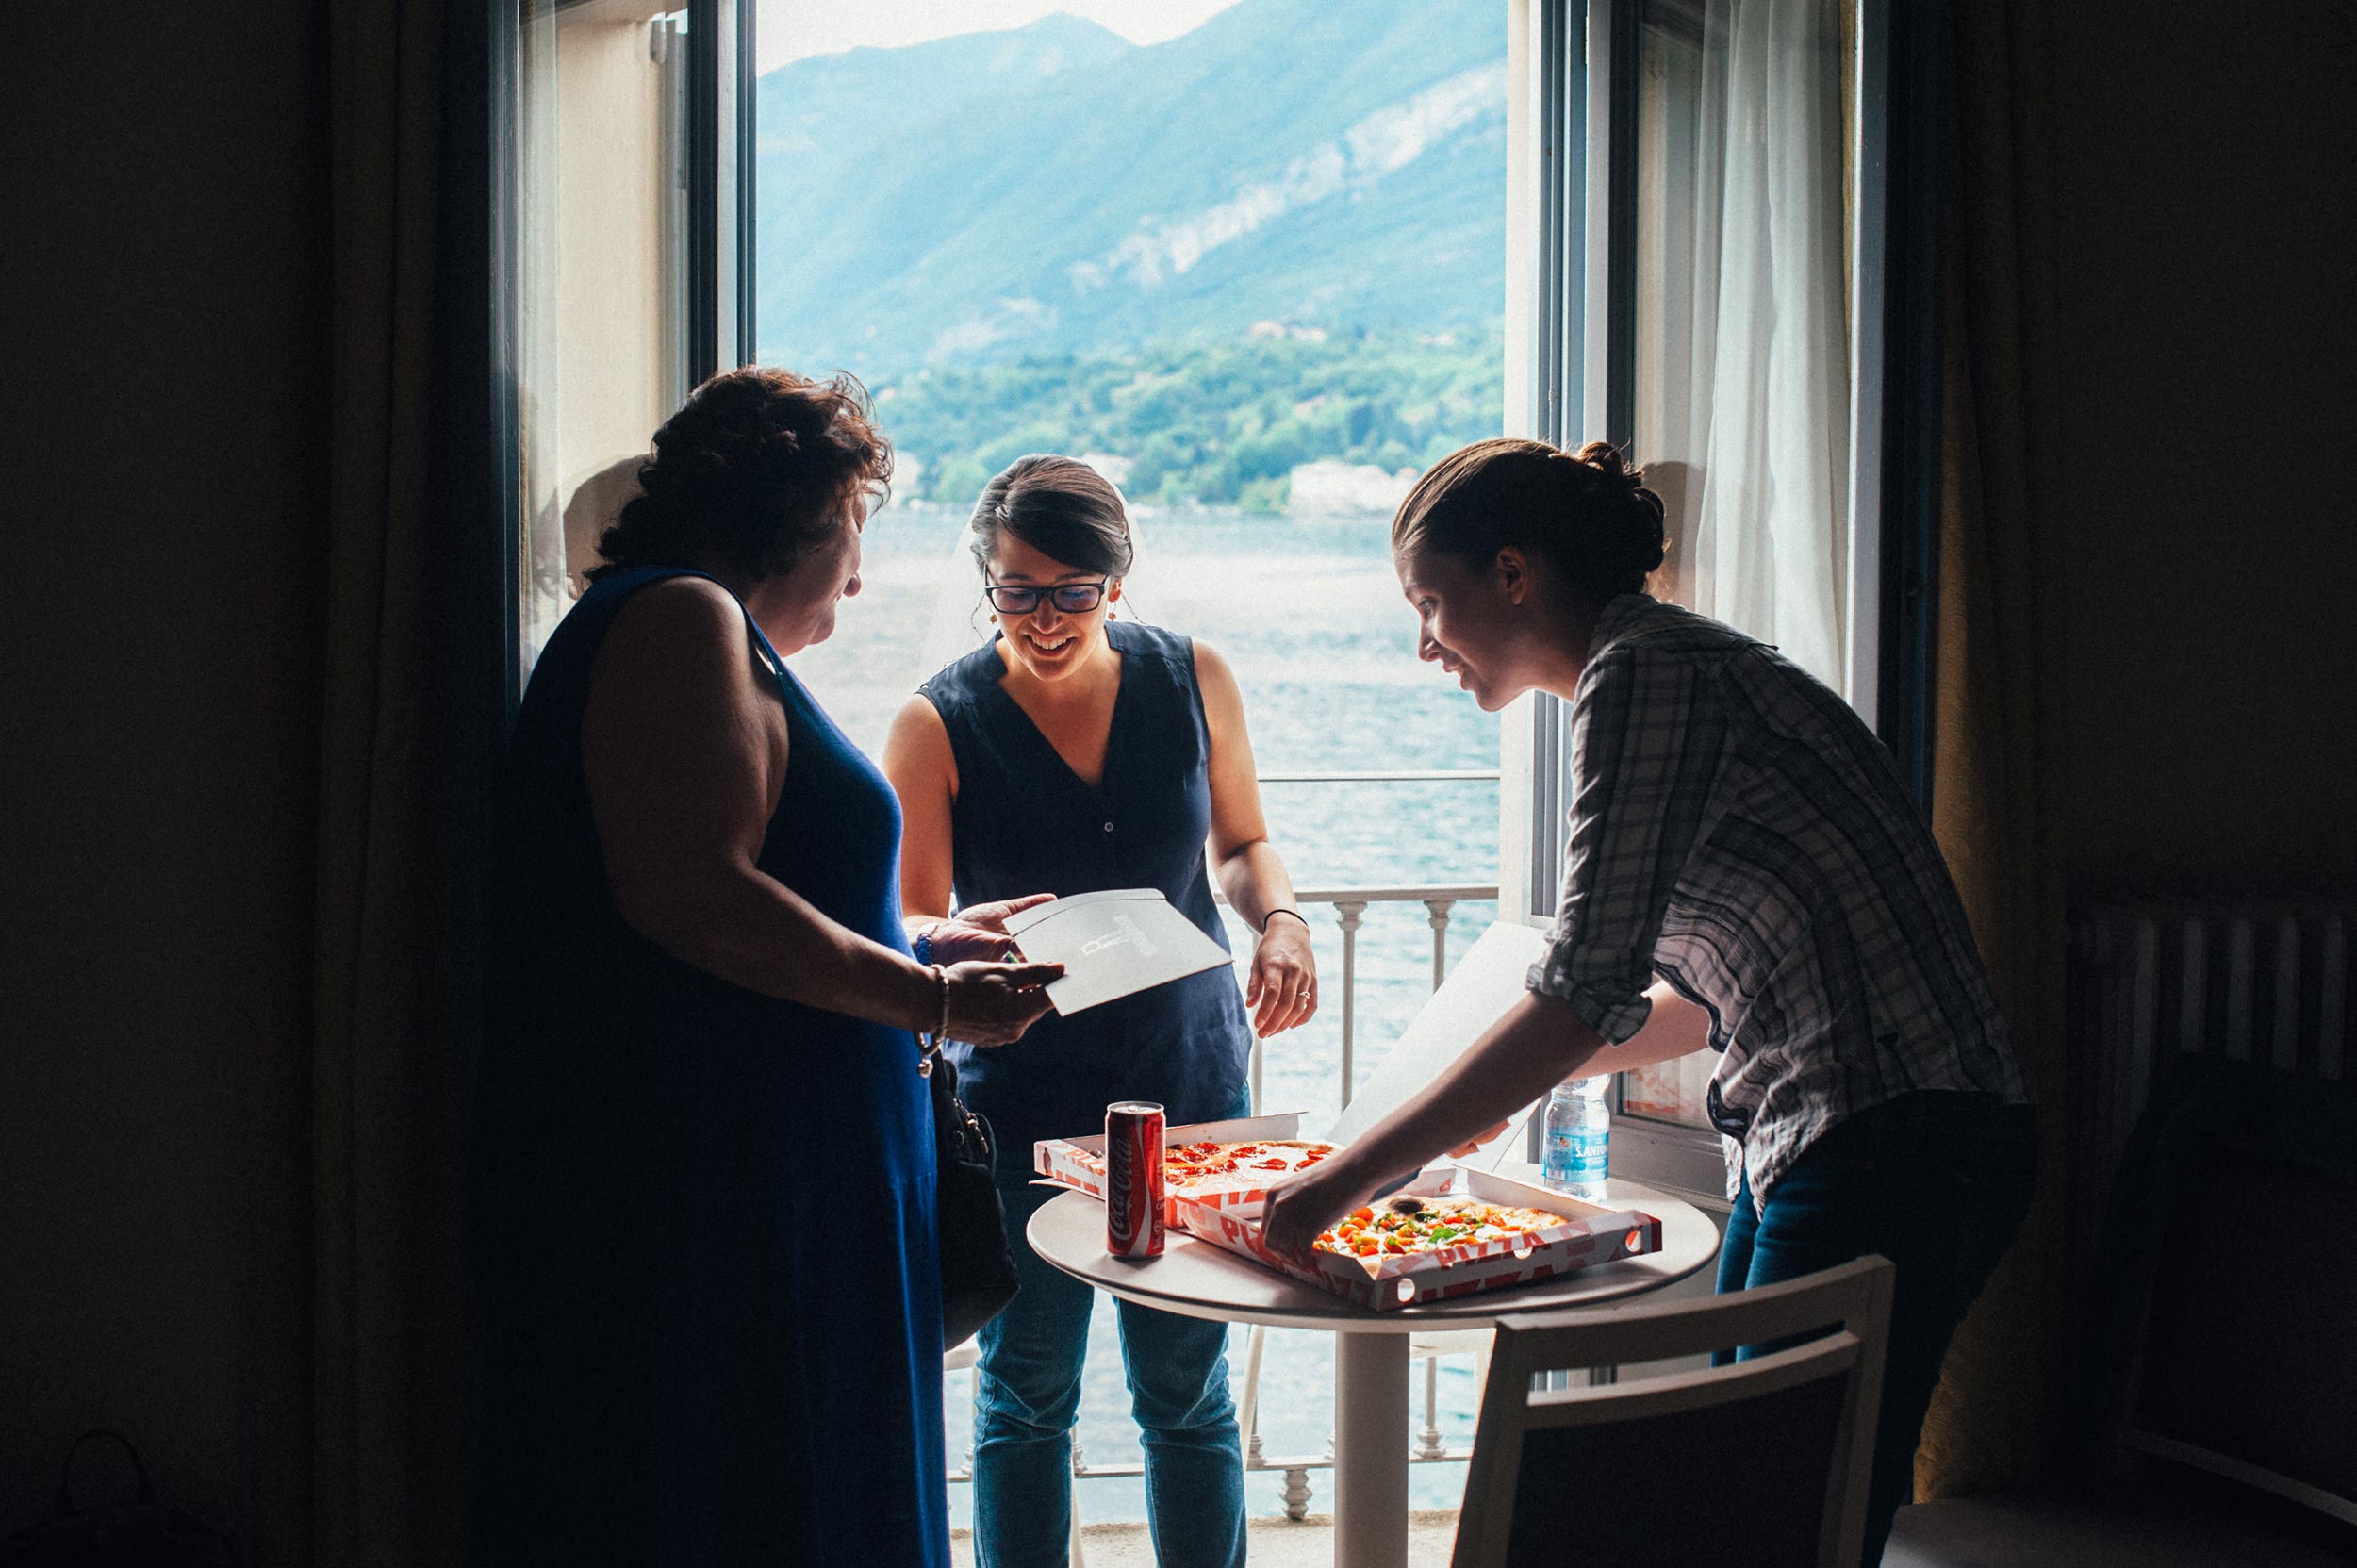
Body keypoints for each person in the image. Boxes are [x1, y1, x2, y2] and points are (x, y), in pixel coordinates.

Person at [1261, 437, 2037, 1566]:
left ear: (1514, 575)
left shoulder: (1643, 675)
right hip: (1853, 1127)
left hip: (1900, 1134)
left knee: (1782, 1514)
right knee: (1761, 1498)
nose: (1422, 643)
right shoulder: (1668, 667)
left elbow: (1584, 990)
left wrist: (1344, 1175)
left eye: (1430, 603)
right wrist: (1508, 1092)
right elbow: (1679, 998)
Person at [470, 367, 1062, 1566]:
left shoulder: (694, 627)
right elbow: (693, 895)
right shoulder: (678, 616)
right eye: (855, 526)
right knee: (770, 1495)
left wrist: (914, 940)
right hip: (743, 1181)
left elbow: (734, 889)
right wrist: (934, 998)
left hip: (789, 1169)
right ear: (794, 515)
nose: (857, 571)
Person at [882, 454, 1319, 1568]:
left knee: (1188, 1385)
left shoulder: (1193, 676)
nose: (1044, 616)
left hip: (1192, 1075)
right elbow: (916, 916)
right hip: (1022, 1093)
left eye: (1073, 590)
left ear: (1117, 583)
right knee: (1027, 1392)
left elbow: (1243, 842)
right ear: (985, 582)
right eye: (1018, 589)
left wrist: (1280, 921)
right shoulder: (936, 720)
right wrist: (974, 935)